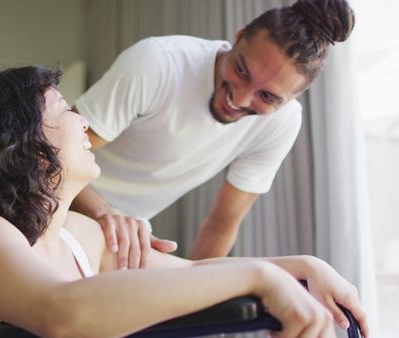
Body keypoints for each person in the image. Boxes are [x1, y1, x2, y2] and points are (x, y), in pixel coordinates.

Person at [0, 65, 368, 338]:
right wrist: (260, 277)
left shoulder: (78, 238)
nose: (83, 120)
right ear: (23, 143)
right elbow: (62, 312)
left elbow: (191, 273)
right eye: (66, 109)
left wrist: (305, 267)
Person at [70, 0, 356, 264]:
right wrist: (105, 214)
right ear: (239, 36)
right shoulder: (159, 63)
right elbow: (53, 155)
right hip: (57, 200)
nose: (240, 99)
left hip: (126, 229)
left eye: (268, 97)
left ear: (293, 98)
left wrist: (195, 301)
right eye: (242, 71)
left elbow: (220, 226)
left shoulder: (282, 123)